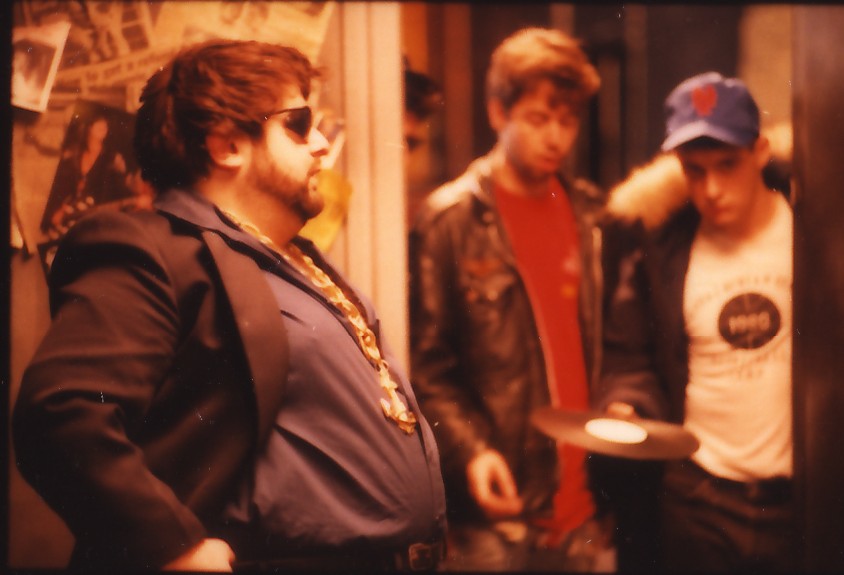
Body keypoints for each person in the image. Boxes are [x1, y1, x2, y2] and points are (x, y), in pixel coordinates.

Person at [13, 39, 446, 572]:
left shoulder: (293, 258)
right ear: (226, 146)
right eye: (298, 124)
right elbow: (62, 412)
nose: (320, 145)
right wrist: (173, 546)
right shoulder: (153, 248)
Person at [408, 27, 613, 572]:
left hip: (583, 512)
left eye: (567, 121)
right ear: (498, 112)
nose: (555, 138)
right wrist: (472, 452)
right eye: (538, 119)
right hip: (497, 517)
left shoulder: (591, 214)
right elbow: (427, 368)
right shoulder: (450, 220)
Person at [597, 71, 796, 572]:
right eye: (694, 171)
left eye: (727, 165)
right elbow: (631, 357)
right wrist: (627, 404)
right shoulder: (661, 249)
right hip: (698, 496)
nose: (712, 189)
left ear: (760, 151)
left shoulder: (810, 233)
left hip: (799, 497)